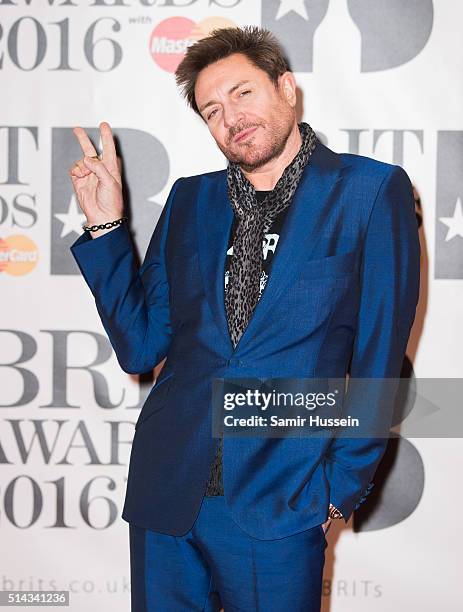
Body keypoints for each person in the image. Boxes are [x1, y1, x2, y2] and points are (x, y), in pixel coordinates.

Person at [68, 25, 420, 612]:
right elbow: (139, 347)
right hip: (167, 494)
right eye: (211, 109)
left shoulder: (367, 190)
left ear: (286, 88)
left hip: (283, 498)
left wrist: (338, 491)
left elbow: (381, 357)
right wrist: (106, 228)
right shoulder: (190, 200)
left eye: (242, 94)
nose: (230, 117)